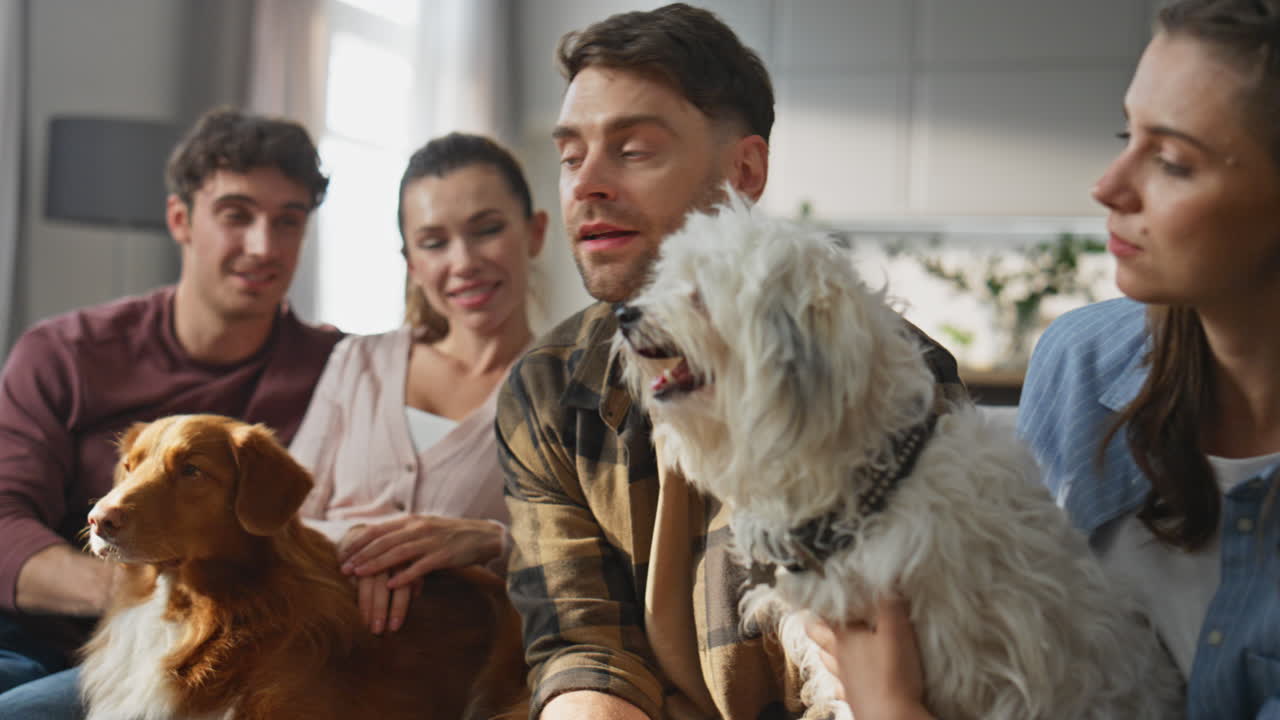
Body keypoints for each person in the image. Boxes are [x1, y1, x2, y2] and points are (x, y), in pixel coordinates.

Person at [495, 4, 966, 719]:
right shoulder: (546, 387)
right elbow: (585, 648)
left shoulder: (882, 377)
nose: (586, 183)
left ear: (744, 170)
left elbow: (886, 680)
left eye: (633, 150)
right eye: (569, 156)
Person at [812, 1, 1280, 718]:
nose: (1108, 186)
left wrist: (892, 705)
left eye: (1172, 161)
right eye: (1127, 135)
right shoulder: (1082, 364)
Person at [0, 107, 343, 715]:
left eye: (288, 221)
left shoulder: (339, 370)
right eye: (236, 215)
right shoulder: (65, 353)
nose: (263, 246)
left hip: (213, 651)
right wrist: (133, 588)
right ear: (180, 219)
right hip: (40, 632)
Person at [289, 132, 546, 635]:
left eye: (487, 229)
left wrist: (493, 541)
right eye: (434, 243)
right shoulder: (357, 362)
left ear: (534, 233)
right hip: (312, 639)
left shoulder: (566, 388)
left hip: (460, 665)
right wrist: (363, 545)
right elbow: (283, 519)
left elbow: (597, 553)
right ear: (412, 263)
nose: (464, 262)